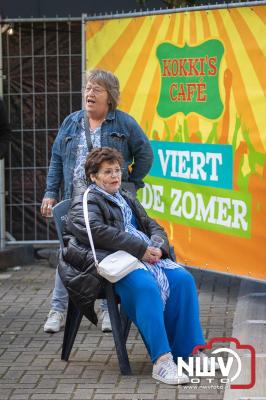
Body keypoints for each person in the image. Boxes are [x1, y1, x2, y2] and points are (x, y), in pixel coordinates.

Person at [59, 147, 211, 385]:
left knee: (183, 279)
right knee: (146, 287)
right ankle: (162, 362)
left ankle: (188, 352)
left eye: (117, 170)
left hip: (139, 258)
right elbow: (97, 233)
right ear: (93, 176)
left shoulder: (126, 197)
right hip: (106, 266)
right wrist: (140, 249)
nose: (114, 176)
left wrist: (158, 247)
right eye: (107, 172)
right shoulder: (85, 200)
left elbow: (152, 226)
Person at [41, 69, 153, 333]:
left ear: (109, 97)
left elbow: (145, 154)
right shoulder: (71, 122)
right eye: (88, 88)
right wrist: (49, 192)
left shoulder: (124, 124)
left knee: (108, 250)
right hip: (75, 200)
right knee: (68, 250)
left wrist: (129, 184)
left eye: (97, 90)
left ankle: (106, 310)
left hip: (109, 203)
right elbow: (57, 159)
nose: (89, 94)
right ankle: (57, 309)